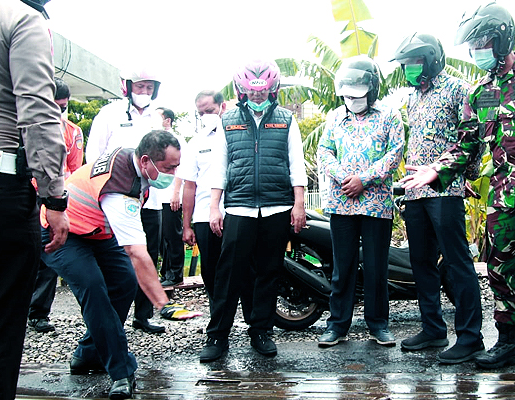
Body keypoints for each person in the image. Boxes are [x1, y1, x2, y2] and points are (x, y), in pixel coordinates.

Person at [401, 3, 515, 392]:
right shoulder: (479, 93)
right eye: (471, 46)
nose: (476, 52)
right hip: (503, 197)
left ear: (502, 38)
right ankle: (508, 345)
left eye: (481, 43)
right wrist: (437, 169)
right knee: (502, 272)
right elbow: (467, 143)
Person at [42, 130, 200, 399]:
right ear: (146, 161)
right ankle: (121, 371)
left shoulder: (135, 164)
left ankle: (87, 354)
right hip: (63, 234)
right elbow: (137, 252)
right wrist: (163, 303)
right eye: (168, 167)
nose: (173, 174)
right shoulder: (121, 183)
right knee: (94, 288)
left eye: (176, 166)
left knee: (125, 282)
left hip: (99, 233)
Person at [199, 60, 308, 361]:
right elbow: (219, 168)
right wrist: (214, 208)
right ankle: (217, 336)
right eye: (251, 92)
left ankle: (261, 331)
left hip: (277, 208)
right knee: (228, 274)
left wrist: (298, 204)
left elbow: (296, 164)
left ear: (273, 90)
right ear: (241, 90)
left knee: (268, 272)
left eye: (263, 92)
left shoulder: (287, 119)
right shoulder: (227, 121)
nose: (257, 97)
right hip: (239, 209)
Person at [390, 33, 484, 363]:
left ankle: (471, 336)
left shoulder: (458, 89)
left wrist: (461, 175)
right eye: (405, 65)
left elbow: (473, 139)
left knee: (457, 263)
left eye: (414, 63)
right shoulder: (413, 97)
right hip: (416, 192)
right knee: (421, 262)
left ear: (430, 60)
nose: (409, 70)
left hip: (444, 191)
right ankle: (432, 328)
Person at [0, 1, 69, 398]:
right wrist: (54, 198)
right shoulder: (22, 19)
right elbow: (38, 112)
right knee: (4, 316)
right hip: (4, 183)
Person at [316, 55, 405, 348]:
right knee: (343, 267)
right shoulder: (333, 118)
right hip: (341, 203)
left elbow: (395, 154)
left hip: (376, 204)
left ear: (373, 88)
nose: (352, 99)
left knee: (377, 267)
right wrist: (344, 177)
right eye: (347, 94)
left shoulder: (389, 115)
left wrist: (363, 180)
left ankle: (378, 325)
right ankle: (337, 325)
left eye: (359, 93)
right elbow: (325, 152)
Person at [86, 68, 166, 334]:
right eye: (139, 87)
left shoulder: (156, 118)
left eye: (148, 88)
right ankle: (110, 317)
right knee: (115, 257)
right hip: (114, 199)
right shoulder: (108, 115)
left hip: (149, 199)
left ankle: (143, 316)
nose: (144, 93)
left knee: (147, 255)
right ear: (127, 86)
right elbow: (93, 155)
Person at [179, 90, 255, 321]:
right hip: (204, 216)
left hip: (238, 212)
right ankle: (219, 325)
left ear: (222, 107)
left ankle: (256, 324)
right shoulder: (196, 142)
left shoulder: (241, 134)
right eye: (201, 112)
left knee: (246, 271)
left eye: (209, 110)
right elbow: (189, 186)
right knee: (212, 273)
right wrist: (186, 225)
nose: (206, 116)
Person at [28, 76, 84, 333]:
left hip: (55, 198)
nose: (59, 111)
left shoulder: (72, 132)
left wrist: (59, 200)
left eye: (63, 106)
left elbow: (75, 169)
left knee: (51, 251)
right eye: (55, 105)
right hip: (25, 193)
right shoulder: (26, 126)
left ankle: (39, 312)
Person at [155, 107, 186, 287]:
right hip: (156, 197)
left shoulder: (177, 140)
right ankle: (165, 272)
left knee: (172, 235)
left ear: (167, 121)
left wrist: (176, 192)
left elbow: (182, 168)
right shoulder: (154, 141)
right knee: (161, 238)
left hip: (171, 195)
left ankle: (175, 273)